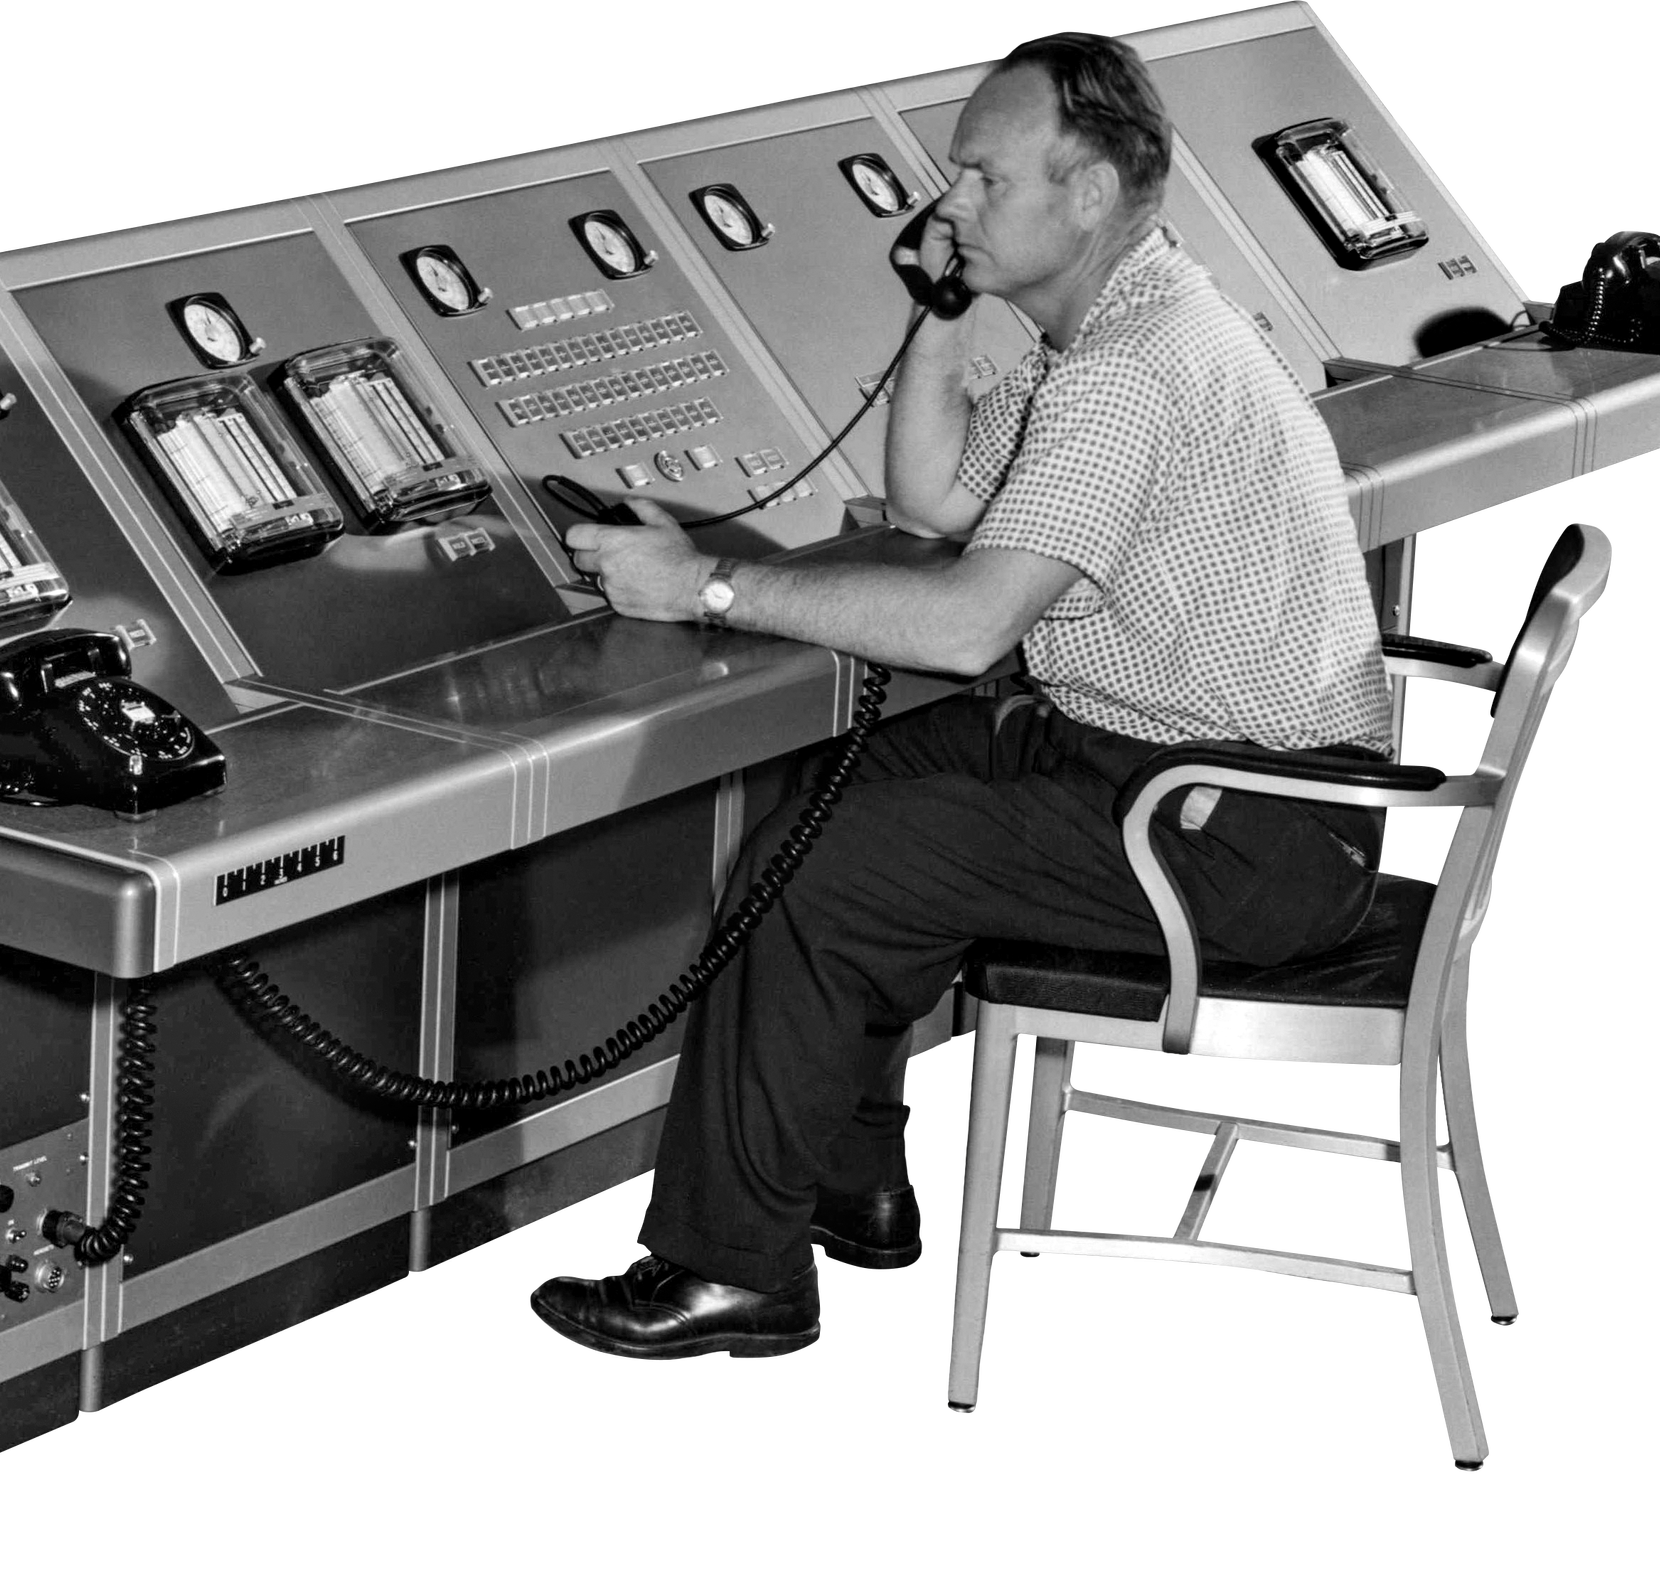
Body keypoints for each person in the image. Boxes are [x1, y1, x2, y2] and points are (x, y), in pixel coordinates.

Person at [525, 29, 1394, 1361]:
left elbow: (968, 618)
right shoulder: (1110, 327)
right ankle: (852, 1186)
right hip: (1164, 767)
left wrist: (699, 585)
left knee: (842, 865)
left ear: (1091, 192)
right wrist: (941, 313)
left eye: (984, 180)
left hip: (1244, 830)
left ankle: (728, 1269)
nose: (950, 204)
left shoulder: (1129, 375)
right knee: (837, 799)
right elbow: (939, 504)